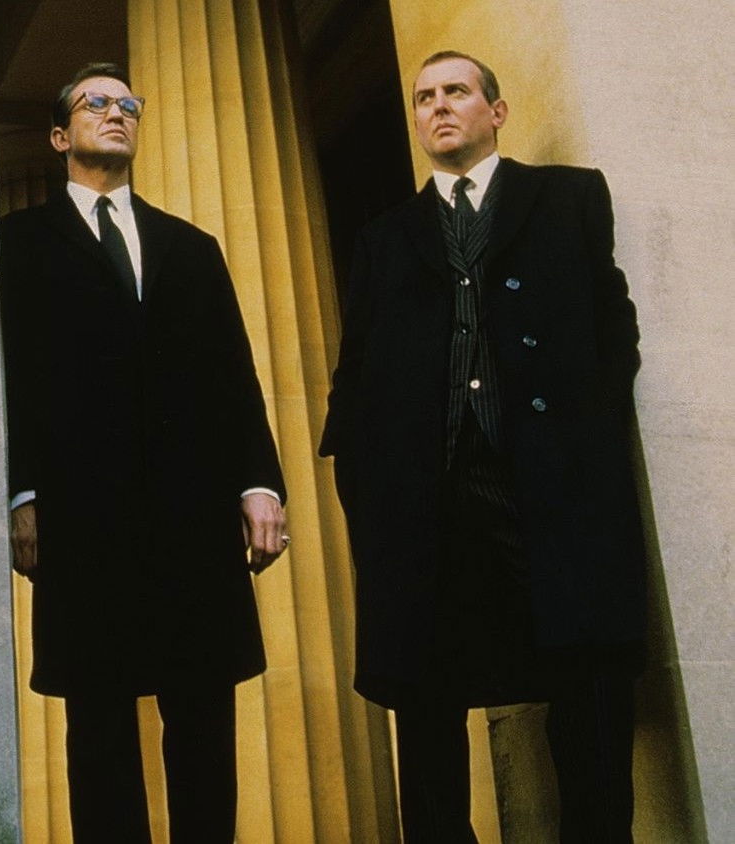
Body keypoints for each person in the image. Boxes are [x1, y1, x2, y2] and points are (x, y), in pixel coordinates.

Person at [320, 51, 646, 842]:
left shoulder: (567, 197)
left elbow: (614, 326)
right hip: (429, 498)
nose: (438, 106)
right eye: (423, 97)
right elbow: (355, 372)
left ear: (495, 111)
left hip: (552, 489)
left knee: (587, 686)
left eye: (456, 92)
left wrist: (585, 437)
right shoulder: (383, 237)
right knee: (425, 697)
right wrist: (368, 478)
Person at [0, 62, 288, 842]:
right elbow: (8, 375)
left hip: (192, 515)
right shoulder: (16, 244)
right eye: (95, 103)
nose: (116, 112)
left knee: (204, 718)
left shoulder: (190, 247)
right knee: (98, 726)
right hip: (80, 517)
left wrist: (260, 483)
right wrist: (20, 494)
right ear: (59, 136)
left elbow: (233, 376)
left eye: (127, 103)